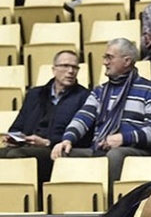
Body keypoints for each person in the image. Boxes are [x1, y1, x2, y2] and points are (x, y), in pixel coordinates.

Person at [50, 38, 151, 202]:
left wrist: (123, 138)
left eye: (109, 57)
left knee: (115, 155)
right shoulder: (100, 91)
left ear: (126, 61)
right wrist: (67, 139)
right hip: (100, 147)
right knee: (63, 153)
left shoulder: (150, 90)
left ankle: (111, 207)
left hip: (135, 149)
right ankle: (68, 207)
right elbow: (83, 117)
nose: (104, 62)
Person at [0, 50, 89, 208]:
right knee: (7, 152)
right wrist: (14, 138)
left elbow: (85, 136)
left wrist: (48, 142)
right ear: (54, 69)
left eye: (75, 67)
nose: (70, 71)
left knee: (17, 155)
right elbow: (17, 126)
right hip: (28, 145)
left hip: (55, 149)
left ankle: (21, 207)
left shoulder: (84, 96)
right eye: (65, 66)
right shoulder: (35, 94)